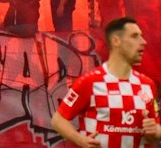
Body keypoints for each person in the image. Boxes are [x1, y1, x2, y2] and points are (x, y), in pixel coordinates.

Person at [50, 16, 161, 148]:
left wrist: (156, 132)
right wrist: (80, 140)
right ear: (116, 41)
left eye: (141, 36)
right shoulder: (89, 82)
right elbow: (58, 120)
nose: (143, 42)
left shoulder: (147, 84)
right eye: (135, 36)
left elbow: (155, 127)